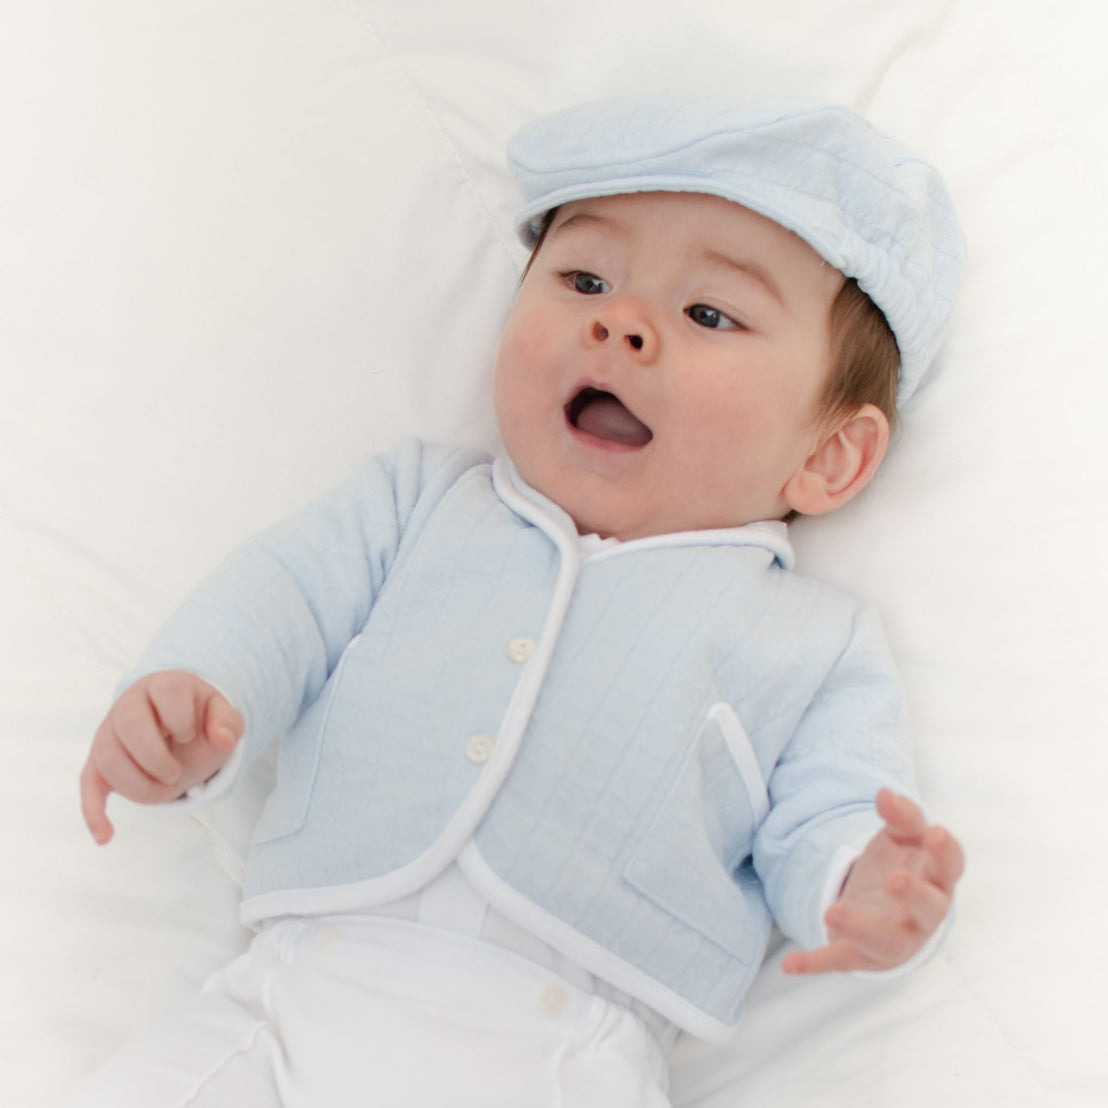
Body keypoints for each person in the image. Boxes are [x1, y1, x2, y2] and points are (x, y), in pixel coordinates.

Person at [69, 93, 966, 1107]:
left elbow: (830, 810)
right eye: (584, 278)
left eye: (708, 313)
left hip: (559, 1053)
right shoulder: (418, 503)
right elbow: (283, 592)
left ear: (829, 455)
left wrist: (862, 878)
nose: (618, 321)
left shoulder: (812, 644)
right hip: (287, 1002)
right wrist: (195, 689)